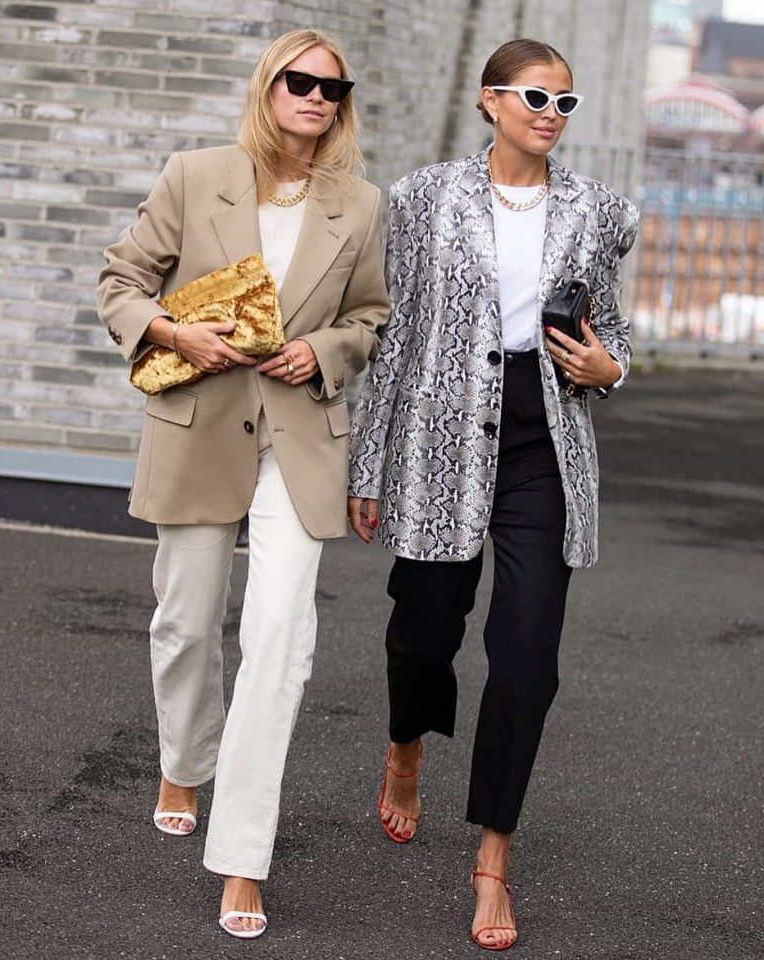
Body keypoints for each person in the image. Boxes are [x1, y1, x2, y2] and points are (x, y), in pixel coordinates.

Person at [348, 38, 638, 952]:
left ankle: (492, 859)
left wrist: (610, 369)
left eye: (565, 102)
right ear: (489, 100)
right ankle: (406, 743)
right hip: (440, 429)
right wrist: (369, 461)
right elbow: (395, 333)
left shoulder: (596, 210)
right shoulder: (424, 198)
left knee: (526, 658)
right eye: (534, 97)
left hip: (543, 438)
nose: (550, 115)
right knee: (424, 629)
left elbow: (611, 332)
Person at [97, 29, 387, 940]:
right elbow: (121, 280)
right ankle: (184, 761)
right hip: (199, 427)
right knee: (185, 622)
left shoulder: (361, 203)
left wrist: (324, 350)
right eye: (300, 81)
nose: (315, 97)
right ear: (269, 86)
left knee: (280, 642)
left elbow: (370, 316)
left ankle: (242, 857)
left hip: (300, 441)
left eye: (332, 88)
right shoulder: (195, 175)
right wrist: (172, 333)